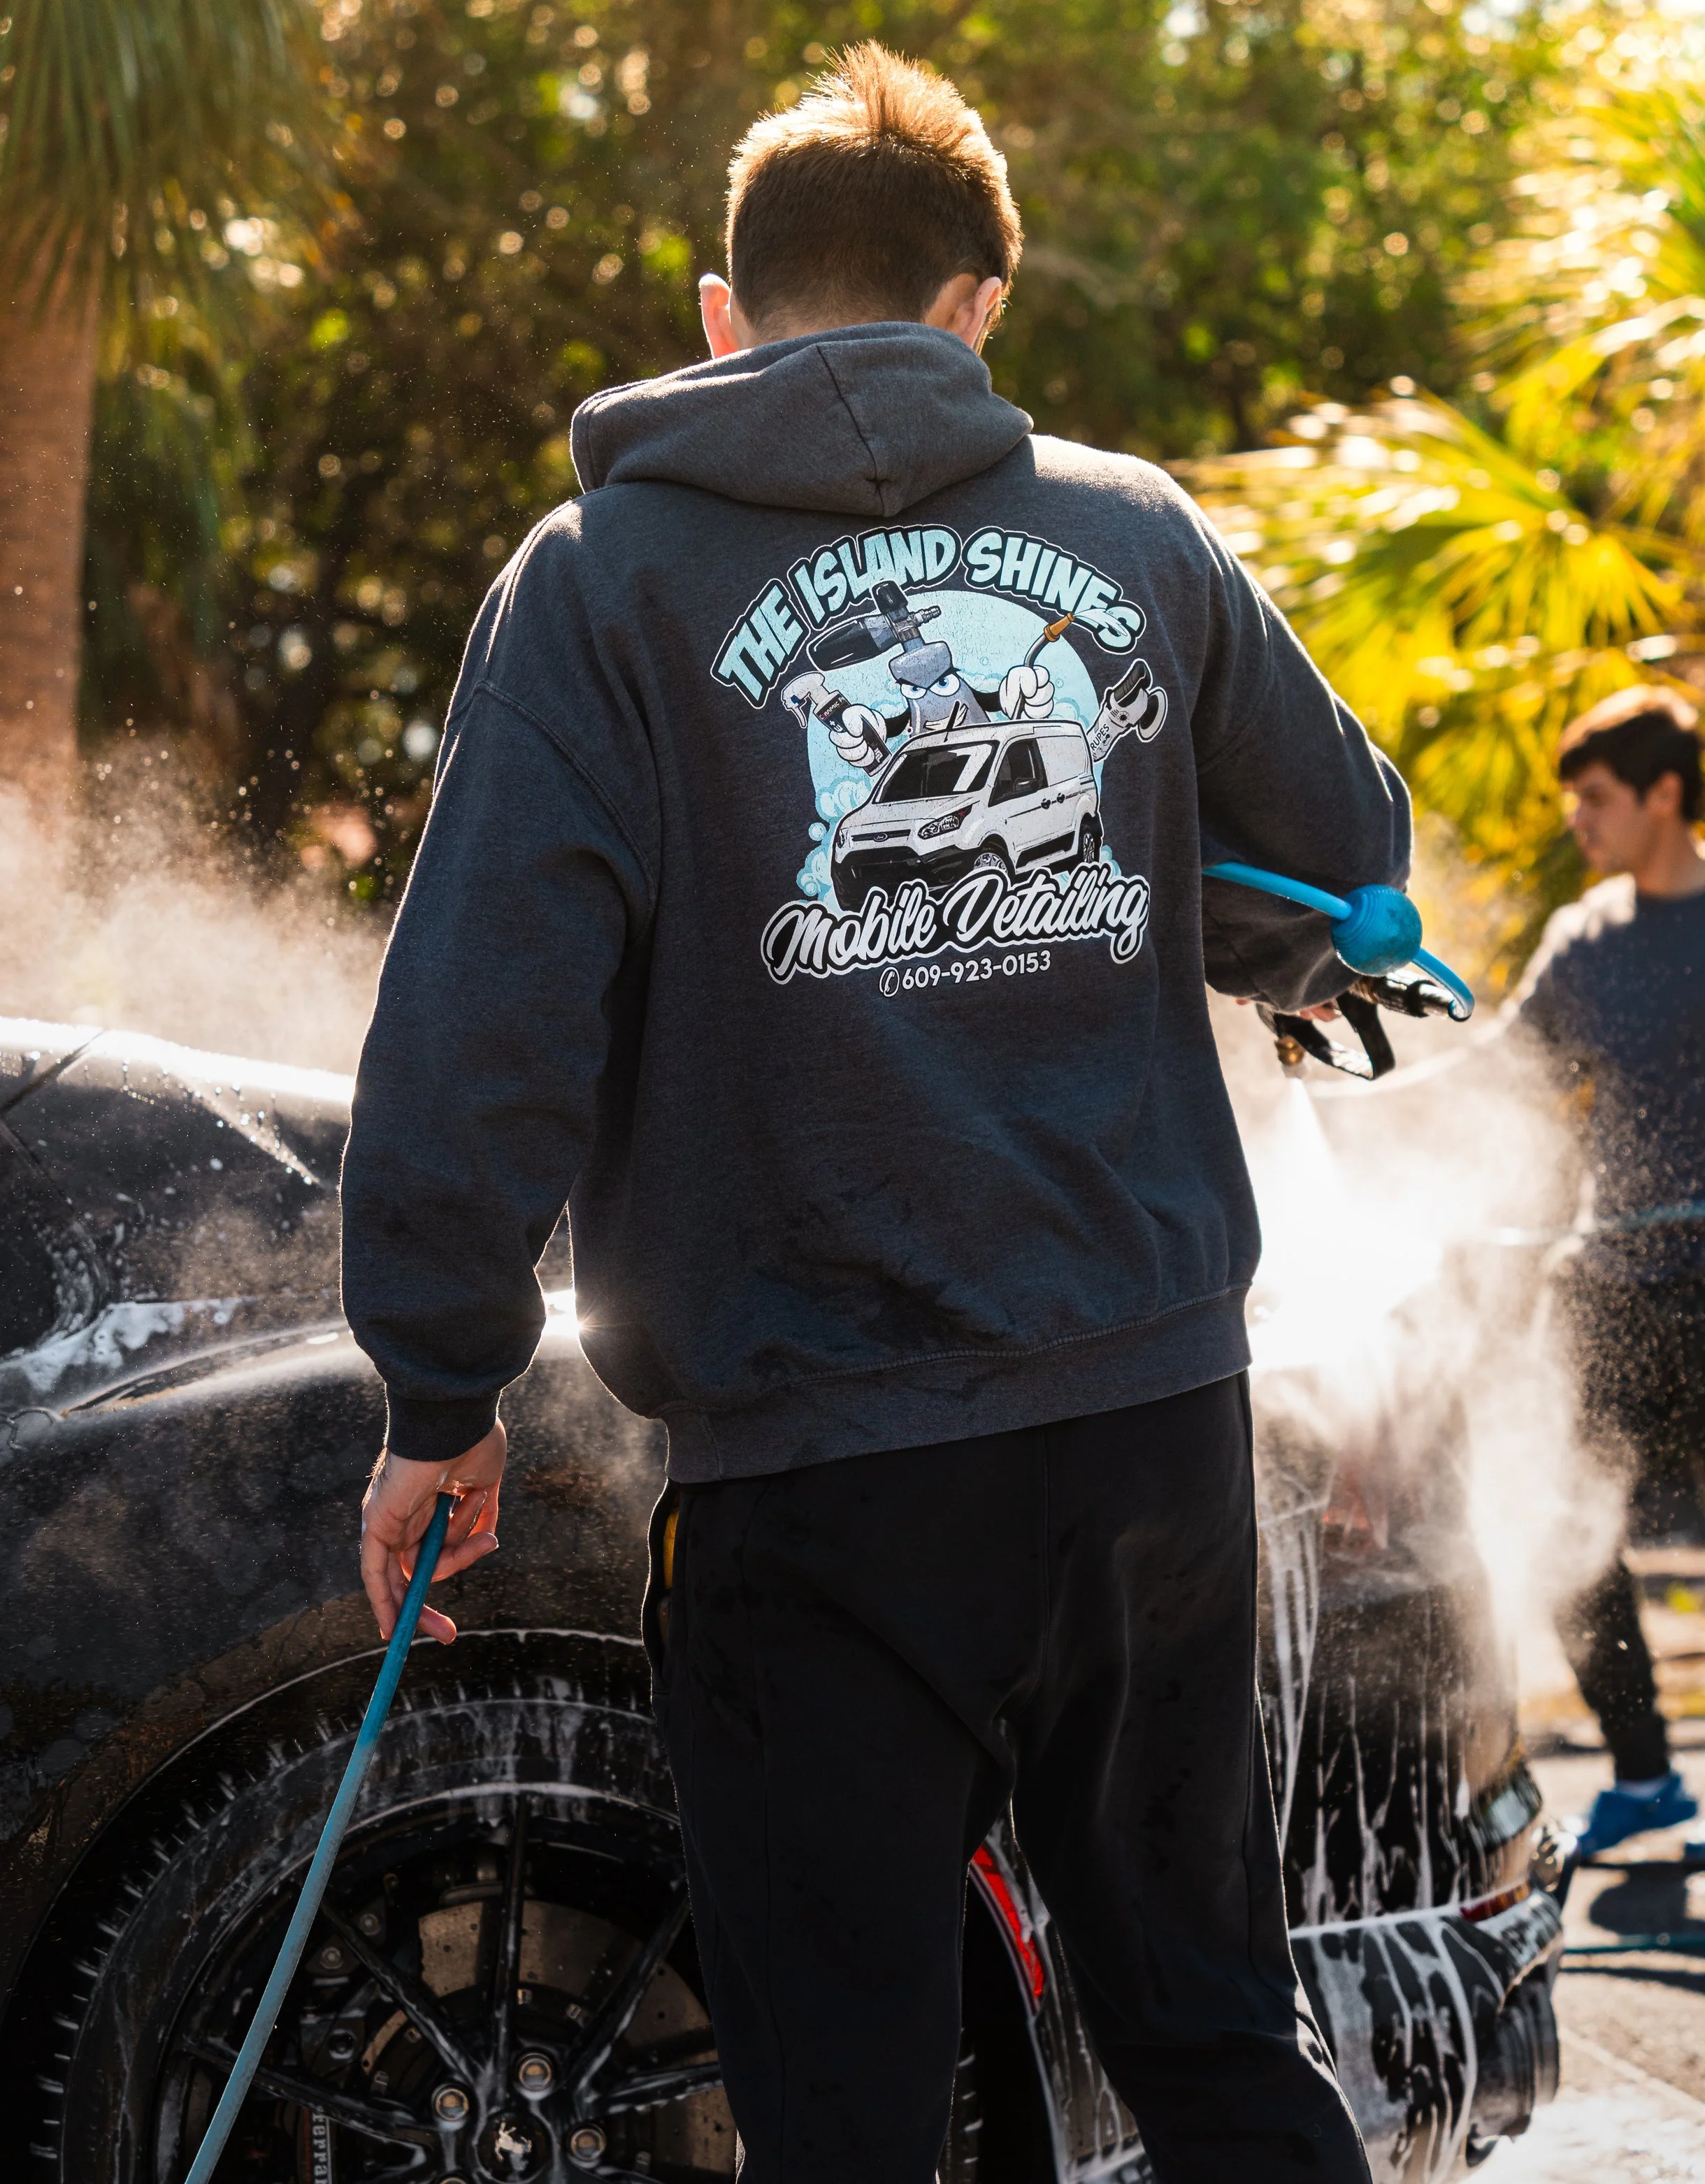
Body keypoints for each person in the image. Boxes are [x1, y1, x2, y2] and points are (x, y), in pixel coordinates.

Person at [341, 45, 1407, 2181]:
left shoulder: (598, 584)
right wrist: (1278, 951)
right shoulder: (1133, 528)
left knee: (843, 2106)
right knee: (1207, 2035)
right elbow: (1347, 858)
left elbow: (485, 1024)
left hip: (817, 1477)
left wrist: (434, 1386)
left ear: (721, 315)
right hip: (1147, 1438)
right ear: (977, 305)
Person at [1510, 686, 1705, 1859]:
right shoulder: (1584, 938)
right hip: (1609, 1276)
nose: (1578, 823)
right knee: (1557, 1525)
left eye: (1594, 800)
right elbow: (1503, 1080)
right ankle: (1643, 1773)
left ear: (1665, 795)